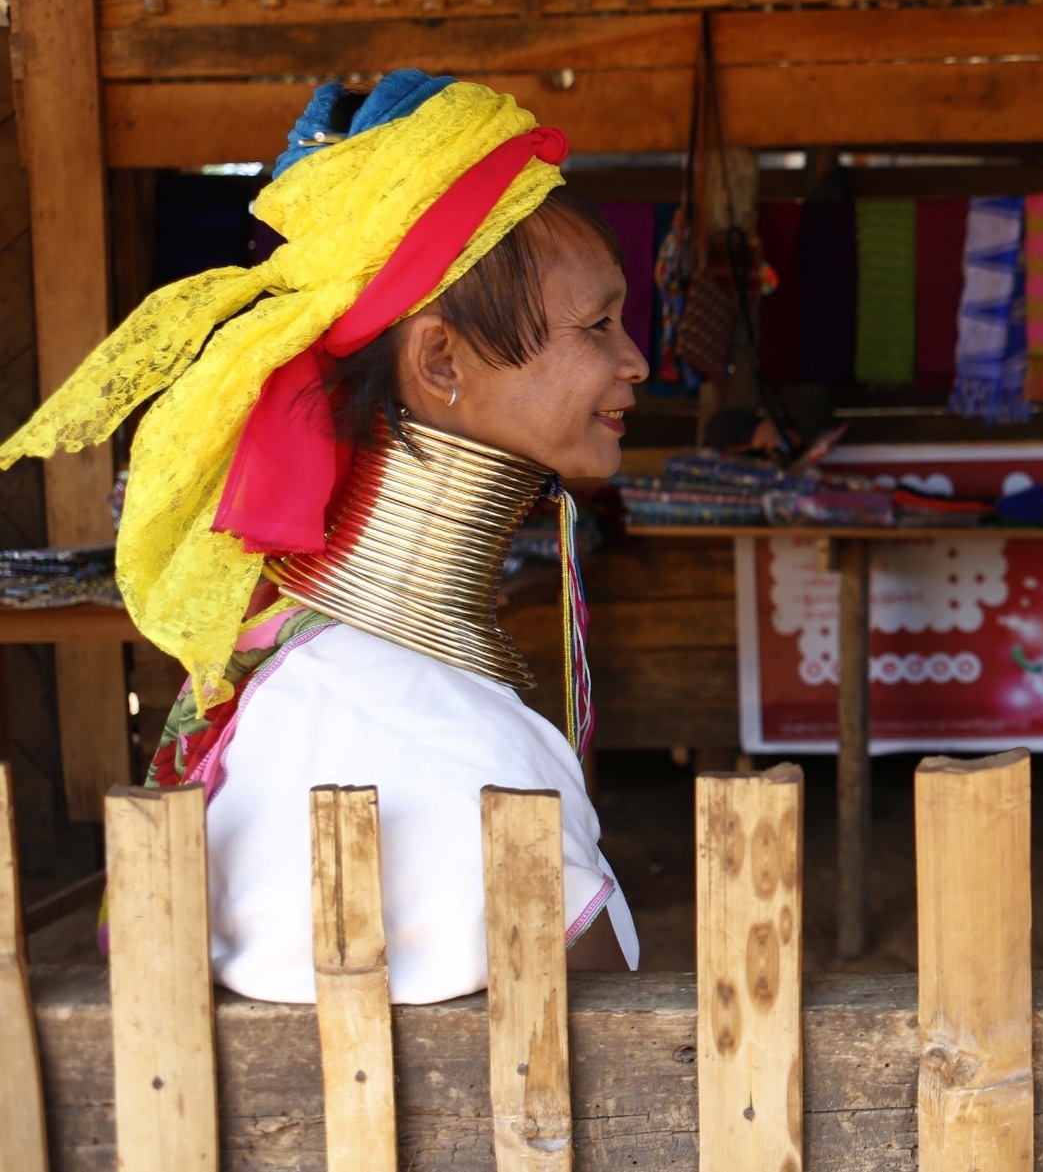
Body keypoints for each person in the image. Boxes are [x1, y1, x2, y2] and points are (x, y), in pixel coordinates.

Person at [0, 72, 645, 1001]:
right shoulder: (471, 751)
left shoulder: (290, 684)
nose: (635, 360)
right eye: (598, 324)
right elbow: (613, 1037)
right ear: (440, 360)